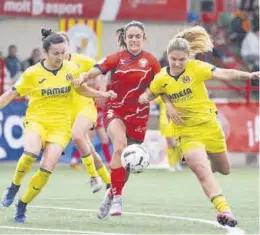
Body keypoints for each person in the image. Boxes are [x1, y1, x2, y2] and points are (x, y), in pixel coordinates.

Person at [138, 25, 260, 227]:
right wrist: (146, 100)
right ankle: (224, 210)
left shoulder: (197, 68)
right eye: (173, 59)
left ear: (189, 57)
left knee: (224, 169)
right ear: (168, 56)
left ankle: (201, 164)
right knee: (202, 171)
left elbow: (223, 73)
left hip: (210, 126)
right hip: (187, 132)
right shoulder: (161, 77)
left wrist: (249, 76)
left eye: (181, 59)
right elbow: (151, 93)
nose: (177, 63)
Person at [0, 29, 116, 223]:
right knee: (31, 153)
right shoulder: (32, 73)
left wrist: (103, 94)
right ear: (44, 53)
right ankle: (14, 186)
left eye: (63, 52)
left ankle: (22, 205)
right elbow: (10, 94)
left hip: (61, 126)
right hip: (37, 120)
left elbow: (82, 89)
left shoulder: (71, 69)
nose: (60, 57)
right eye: (55, 53)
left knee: (47, 168)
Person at [74, 21, 161, 218]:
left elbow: (163, 84)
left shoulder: (152, 61)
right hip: (116, 110)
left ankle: (110, 194)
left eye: (137, 36)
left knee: (128, 161)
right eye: (130, 36)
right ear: (125, 38)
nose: (134, 40)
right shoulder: (117, 58)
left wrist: (168, 105)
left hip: (139, 114)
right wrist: (84, 77)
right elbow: (98, 69)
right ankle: (119, 198)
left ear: (143, 39)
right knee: (120, 147)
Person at [59, 32, 111, 192]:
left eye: (63, 48)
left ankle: (94, 177)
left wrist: (101, 88)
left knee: (78, 136)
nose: (60, 53)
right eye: (56, 50)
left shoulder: (81, 60)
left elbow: (103, 69)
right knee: (86, 145)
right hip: (69, 113)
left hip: (86, 107)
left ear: (68, 46)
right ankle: (109, 181)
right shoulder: (52, 67)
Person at [154, 96, 182, 172]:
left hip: (176, 120)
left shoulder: (176, 93)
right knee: (170, 143)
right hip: (166, 122)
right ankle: (171, 164)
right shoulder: (163, 94)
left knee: (177, 143)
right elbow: (153, 99)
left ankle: (177, 163)